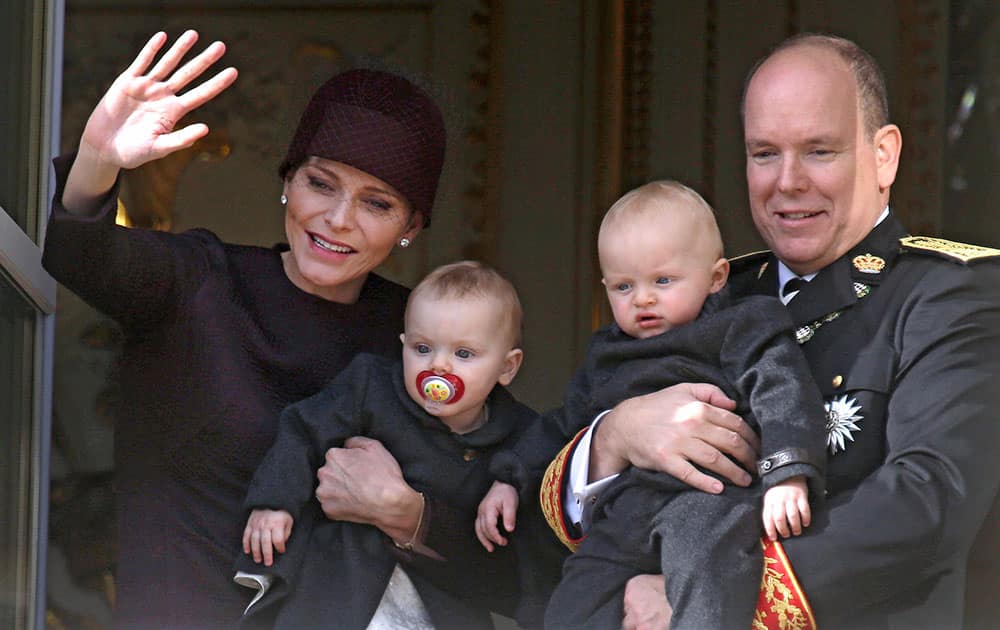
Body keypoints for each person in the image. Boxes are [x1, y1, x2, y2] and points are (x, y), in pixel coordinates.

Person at [540, 33, 1000, 629]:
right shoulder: (703, 291)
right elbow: (534, 505)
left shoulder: (952, 294)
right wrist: (616, 438)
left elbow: (927, 505)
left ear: (883, 155)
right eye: (764, 153)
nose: (787, 182)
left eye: (819, 151)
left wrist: (696, 593)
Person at [40, 29, 488, 629]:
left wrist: (408, 514)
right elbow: (77, 253)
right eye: (320, 183)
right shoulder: (198, 282)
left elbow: (507, 551)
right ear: (287, 181)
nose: (337, 219)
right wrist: (98, 158)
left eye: (376, 204)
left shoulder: (426, 338)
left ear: (411, 225)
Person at [477, 181, 826, 629]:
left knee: (706, 577)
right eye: (624, 286)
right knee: (574, 597)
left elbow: (782, 392)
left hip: (709, 497)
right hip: (626, 506)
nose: (642, 298)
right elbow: (562, 425)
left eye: (662, 281)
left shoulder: (741, 324)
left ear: (716, 277)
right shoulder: (608, 352)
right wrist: (509, 479)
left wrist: (787, 472)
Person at [234, 261, 536, 629]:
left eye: (464, 354)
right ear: (403, 345)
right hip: (343, 584)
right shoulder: (371, 387)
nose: (438, 365)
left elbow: (542, 469)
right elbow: (304, 429)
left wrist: (509, 481)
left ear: (507, 367)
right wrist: (274, 502)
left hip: (441, 606)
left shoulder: (520, 433)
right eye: (423, 348)